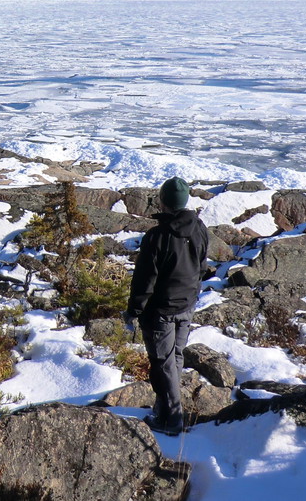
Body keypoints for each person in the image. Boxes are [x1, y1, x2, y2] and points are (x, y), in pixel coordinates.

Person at [123, 176, 209, 436]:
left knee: (163, 362)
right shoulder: (200, 227)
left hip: (161, 311)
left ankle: (171, 419)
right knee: (175, 357)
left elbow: (145, 279)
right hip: (187, 305)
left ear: (163, 201)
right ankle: (164, 406)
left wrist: (134, 310)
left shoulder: (157, 236)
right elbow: (202, 266)